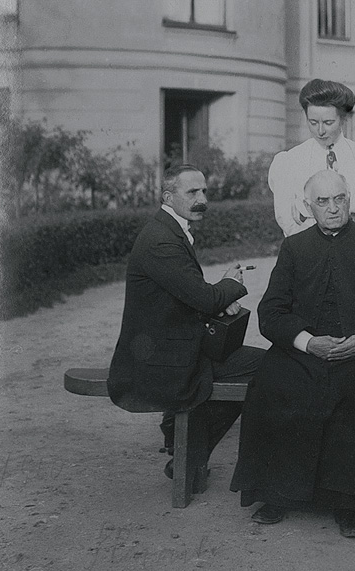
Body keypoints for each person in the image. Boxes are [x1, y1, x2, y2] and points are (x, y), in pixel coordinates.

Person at [230, 170, 355, 538]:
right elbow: (272, 313)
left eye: (339, 199)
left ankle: (347, 502)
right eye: (323, 201)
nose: (332, 208)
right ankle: (277, 494)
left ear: (349, 199)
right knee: (273, 382)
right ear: (307, 206)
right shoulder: (294, 248)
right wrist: (306, 342)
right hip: (302, 352)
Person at [108, 164, 265, 483]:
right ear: (168, 197)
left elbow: (187, 297)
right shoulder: (162, 241)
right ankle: (187, 453)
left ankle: (183, 448)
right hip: (163, 360)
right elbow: (203, 299)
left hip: (171, 348)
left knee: (252, 365)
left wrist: (218, 300)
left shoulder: (168, 230)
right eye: (192, 192)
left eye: (204, 191)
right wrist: (229, 286)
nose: (201, 199)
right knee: (262, 368)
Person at [268, 78, 355, 237]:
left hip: (354, 241)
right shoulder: (290, 161)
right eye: (313, 122)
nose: (320, 131)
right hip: (306, 243)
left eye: (328, 122)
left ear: (343, 119)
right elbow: (286, 218)